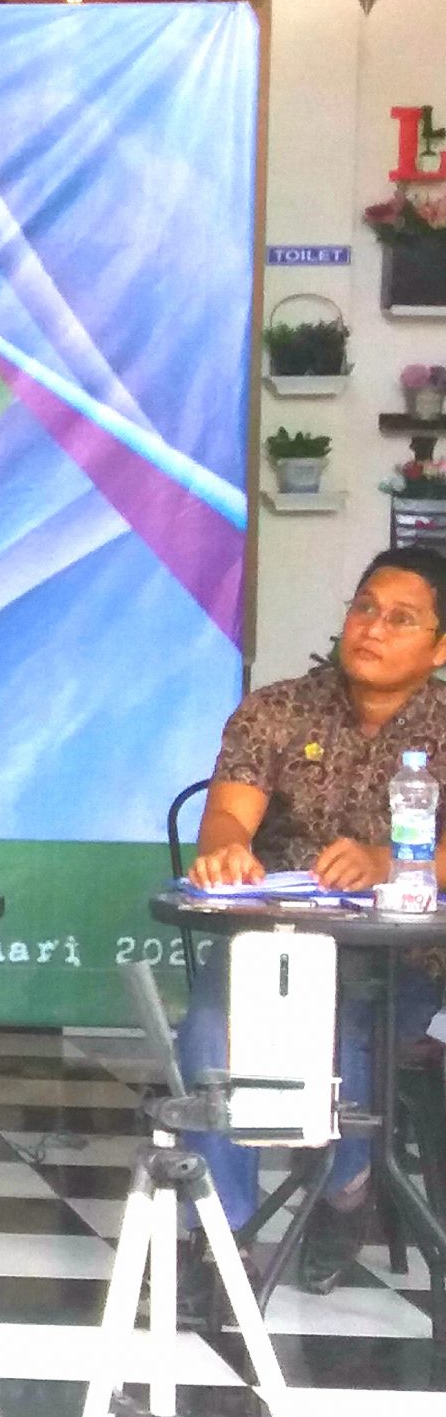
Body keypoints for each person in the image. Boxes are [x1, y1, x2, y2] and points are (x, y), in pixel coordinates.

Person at [181, 546, 446, 1294]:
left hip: (403, 955)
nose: (373, 629)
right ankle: (222, 1237)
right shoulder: (277, 709)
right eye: (365, 609)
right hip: (275, 947)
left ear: (439, 647)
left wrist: (390, 861)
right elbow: (227, 815)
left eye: (401, 619)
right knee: (213, 1033)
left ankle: (346, 1187)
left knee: (342, 1032)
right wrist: (227, 849)